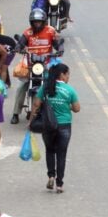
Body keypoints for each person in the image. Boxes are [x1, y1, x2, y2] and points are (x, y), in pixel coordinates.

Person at [31, 63, 79, 192]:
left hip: (48, 125)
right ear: (62, 75)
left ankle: (51, 176)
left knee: (50, 151)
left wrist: (31, 121)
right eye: (67, 74)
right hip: (64, 126)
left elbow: (36, 104)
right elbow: (77, 108)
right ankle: (59, 184)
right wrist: (66, 105)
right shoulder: (69, 90)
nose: (68, 77)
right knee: (61, 154)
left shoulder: (45, 87)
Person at [12, 9, 62, 124]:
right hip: (31, 64)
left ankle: (56, 110)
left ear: (44, 21)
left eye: (39, 22)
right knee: (21, 86)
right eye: (35, 22)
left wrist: (60, 49)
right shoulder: (27, 33)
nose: (37, 24)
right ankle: (16, 113)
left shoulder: (50, 31)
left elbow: (57, 44)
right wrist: (18, 48)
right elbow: (20, 43)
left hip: (46, 64)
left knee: (55, 84)